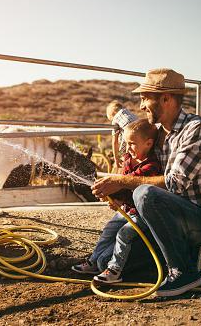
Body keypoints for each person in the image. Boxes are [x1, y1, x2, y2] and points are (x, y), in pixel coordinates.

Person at [91, 68, 201, 297]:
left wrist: (121, 180)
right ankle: (174, 253)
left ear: (166, 98)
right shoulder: (156, 132)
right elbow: (129, 144)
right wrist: (116, 191)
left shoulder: (197, 128)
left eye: (145, 98)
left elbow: (176, 183)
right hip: (163, 217)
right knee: (105, 262)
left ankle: (184, 271)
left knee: (145, 193)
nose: (141, 106)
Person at [71, 119, 161, 283]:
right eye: (126, 143)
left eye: (132, 144)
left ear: (149, 143)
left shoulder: (151, 167)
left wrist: (119, 193)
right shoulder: (128, 159)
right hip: (128, 209)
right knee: (109, 229)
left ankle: (114, 269)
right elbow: (124, 186)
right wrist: (118, 199)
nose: (128, 148)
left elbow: (134, 186)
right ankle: (93, 261)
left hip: (142, 214)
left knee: (124, 234)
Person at [106, 100, 139, 170]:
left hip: (132, 137)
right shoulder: (129, 113)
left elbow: (115, 141)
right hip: (142, 135)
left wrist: (116, 158)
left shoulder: (115, 118)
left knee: (128, 159)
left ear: (112, 114)